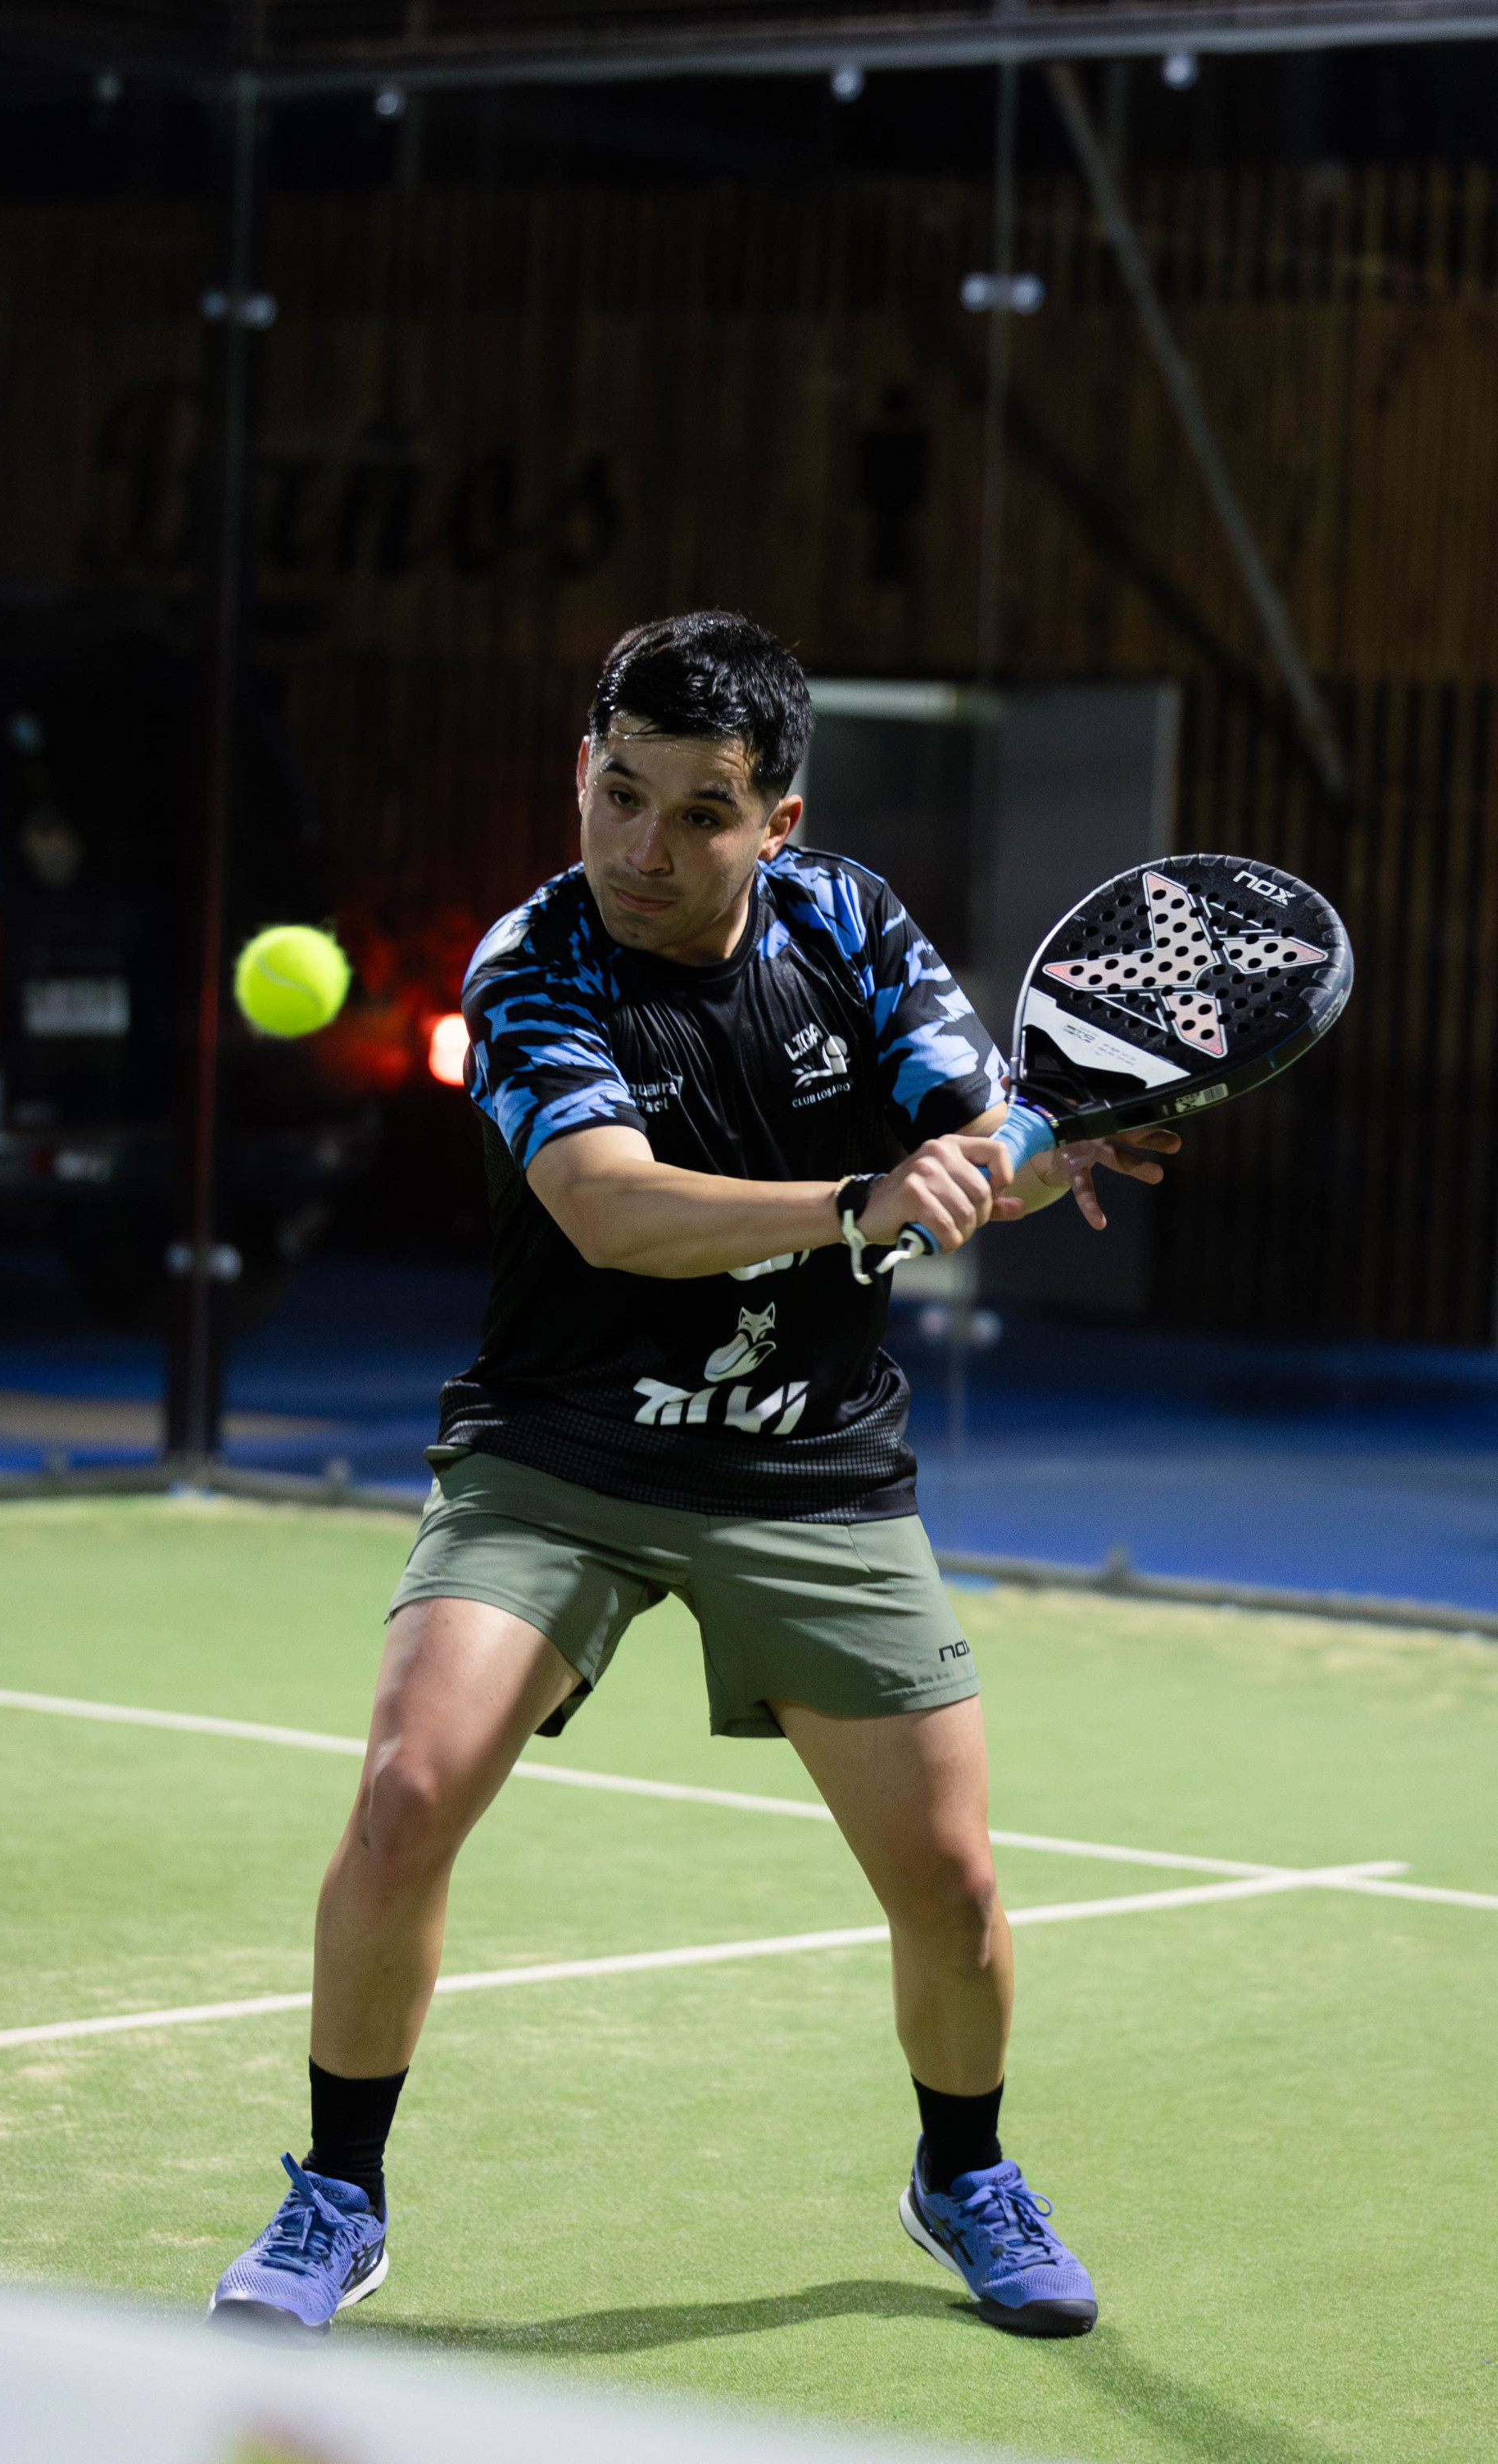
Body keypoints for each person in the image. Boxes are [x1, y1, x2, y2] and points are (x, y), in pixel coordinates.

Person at [210, 611, 1176, 2340]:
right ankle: (336, 2197)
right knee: (405, 1795)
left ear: (777, 822)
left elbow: (969, 1144)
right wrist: (859, 1204)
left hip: (811, 1467)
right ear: (582, 772)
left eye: (699, 814)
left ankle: (962, 2175)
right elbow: (611, 1206)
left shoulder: (847, 921)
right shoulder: (533, 964)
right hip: (557, 1456)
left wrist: (1030, 1156)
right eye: (619, 794)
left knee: (952, 1890)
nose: (643, 849)